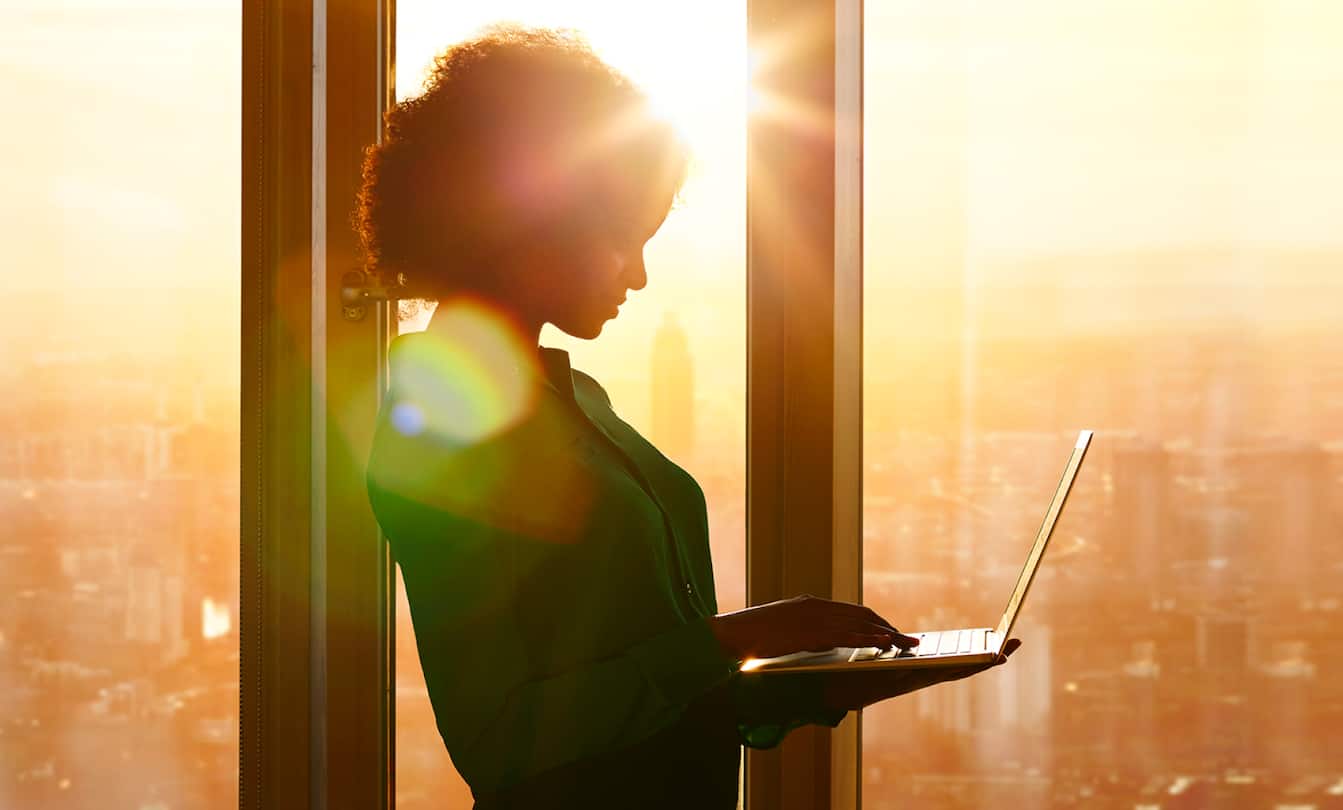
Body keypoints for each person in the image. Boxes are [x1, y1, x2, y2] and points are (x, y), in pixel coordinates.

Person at [357, 24, 1020, 810]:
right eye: (624, 241)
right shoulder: (438, 428)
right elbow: (501, 736)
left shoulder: (576, 402)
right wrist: (734, 639)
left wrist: (833, 673)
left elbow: (656, 687)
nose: (637, 276)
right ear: (532, 222)